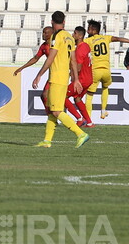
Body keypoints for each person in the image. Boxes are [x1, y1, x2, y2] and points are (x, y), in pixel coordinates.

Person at [32, 10, 89, 148]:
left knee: (57, 111)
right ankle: (47, 141)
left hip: (57, 78)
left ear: (52, 22)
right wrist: (75, 79)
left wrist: (39, 74)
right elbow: (73, 60)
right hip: (63, 78)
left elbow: (51, 57)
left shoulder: (56, 37)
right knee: (52, 111)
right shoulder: (69, 37)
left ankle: (80, 133)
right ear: (64, 22)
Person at [83, 20, 129, 123]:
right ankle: (103, 111)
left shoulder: (88, 41)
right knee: (105, 87)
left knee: (89, 95)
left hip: (96, 71)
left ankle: (88, 119)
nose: (87, 30)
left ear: (93, 30)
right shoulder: (106, 38)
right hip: (107, 71)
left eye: (89, 28)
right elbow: (117, 39)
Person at [13, 26, 54, 113]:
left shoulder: (55, 45)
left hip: (61, 73)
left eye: (45, 33)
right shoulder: (43, 46)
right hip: (53, 74)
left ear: (51, 34)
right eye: (43, 32)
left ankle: (79, 118)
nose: (43, 34)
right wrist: (22, 68)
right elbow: (35, 58)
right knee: (44, 96)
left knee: (53, 97)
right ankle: (51, 116)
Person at [68, 25, 92, 128]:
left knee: (62, 96)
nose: (73, 35)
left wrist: (72, 76)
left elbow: (78, 66)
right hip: (88, 79)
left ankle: (79, 119)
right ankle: (89, 122)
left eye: (74, 33)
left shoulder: (80, 48)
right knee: (77, 98)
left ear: (79, 36)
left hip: (82, 79)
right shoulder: (86, 46)